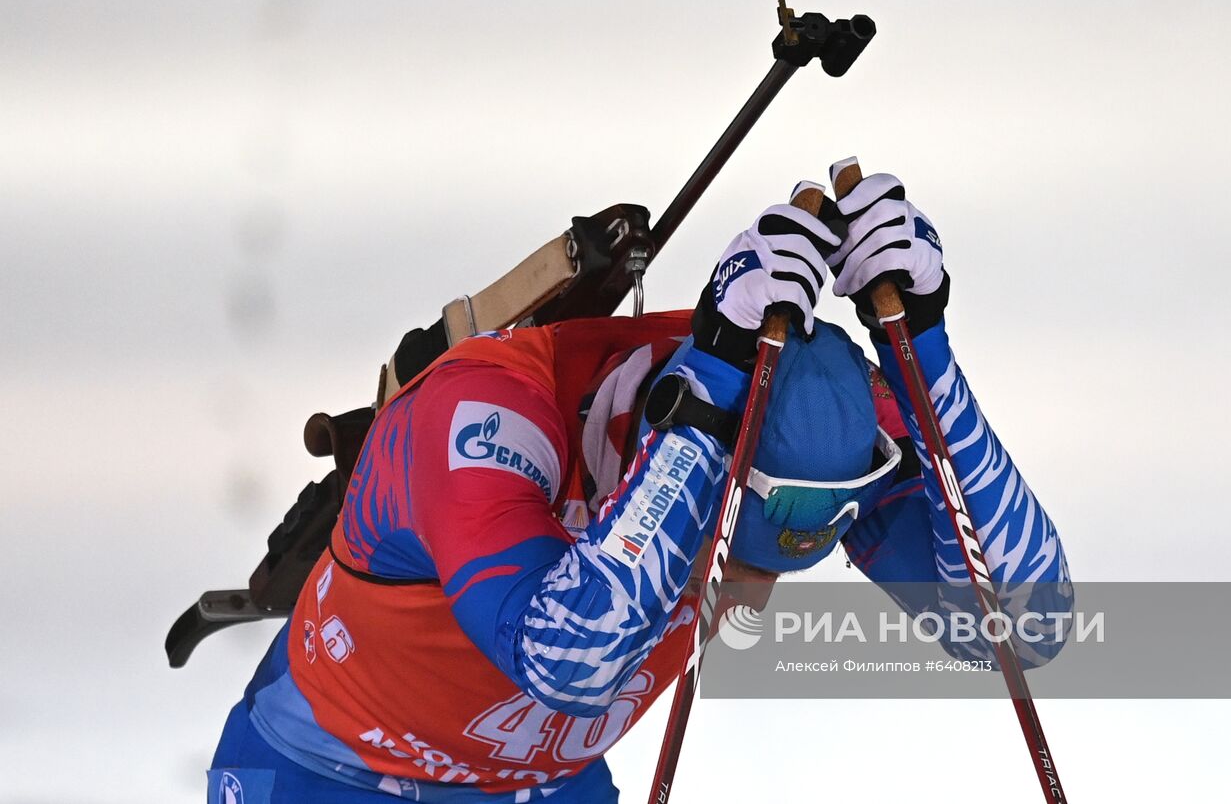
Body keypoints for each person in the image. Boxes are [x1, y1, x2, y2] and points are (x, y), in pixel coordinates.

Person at [207, 162, 1072, 803]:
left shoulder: (820, 413)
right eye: (725, 554)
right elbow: (568, 659)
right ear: (669, 441)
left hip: (549, 784)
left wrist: (928, 363)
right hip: (328, 772)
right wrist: (700, 417)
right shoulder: (485, 416)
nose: (750, 606)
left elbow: (1027, 627)